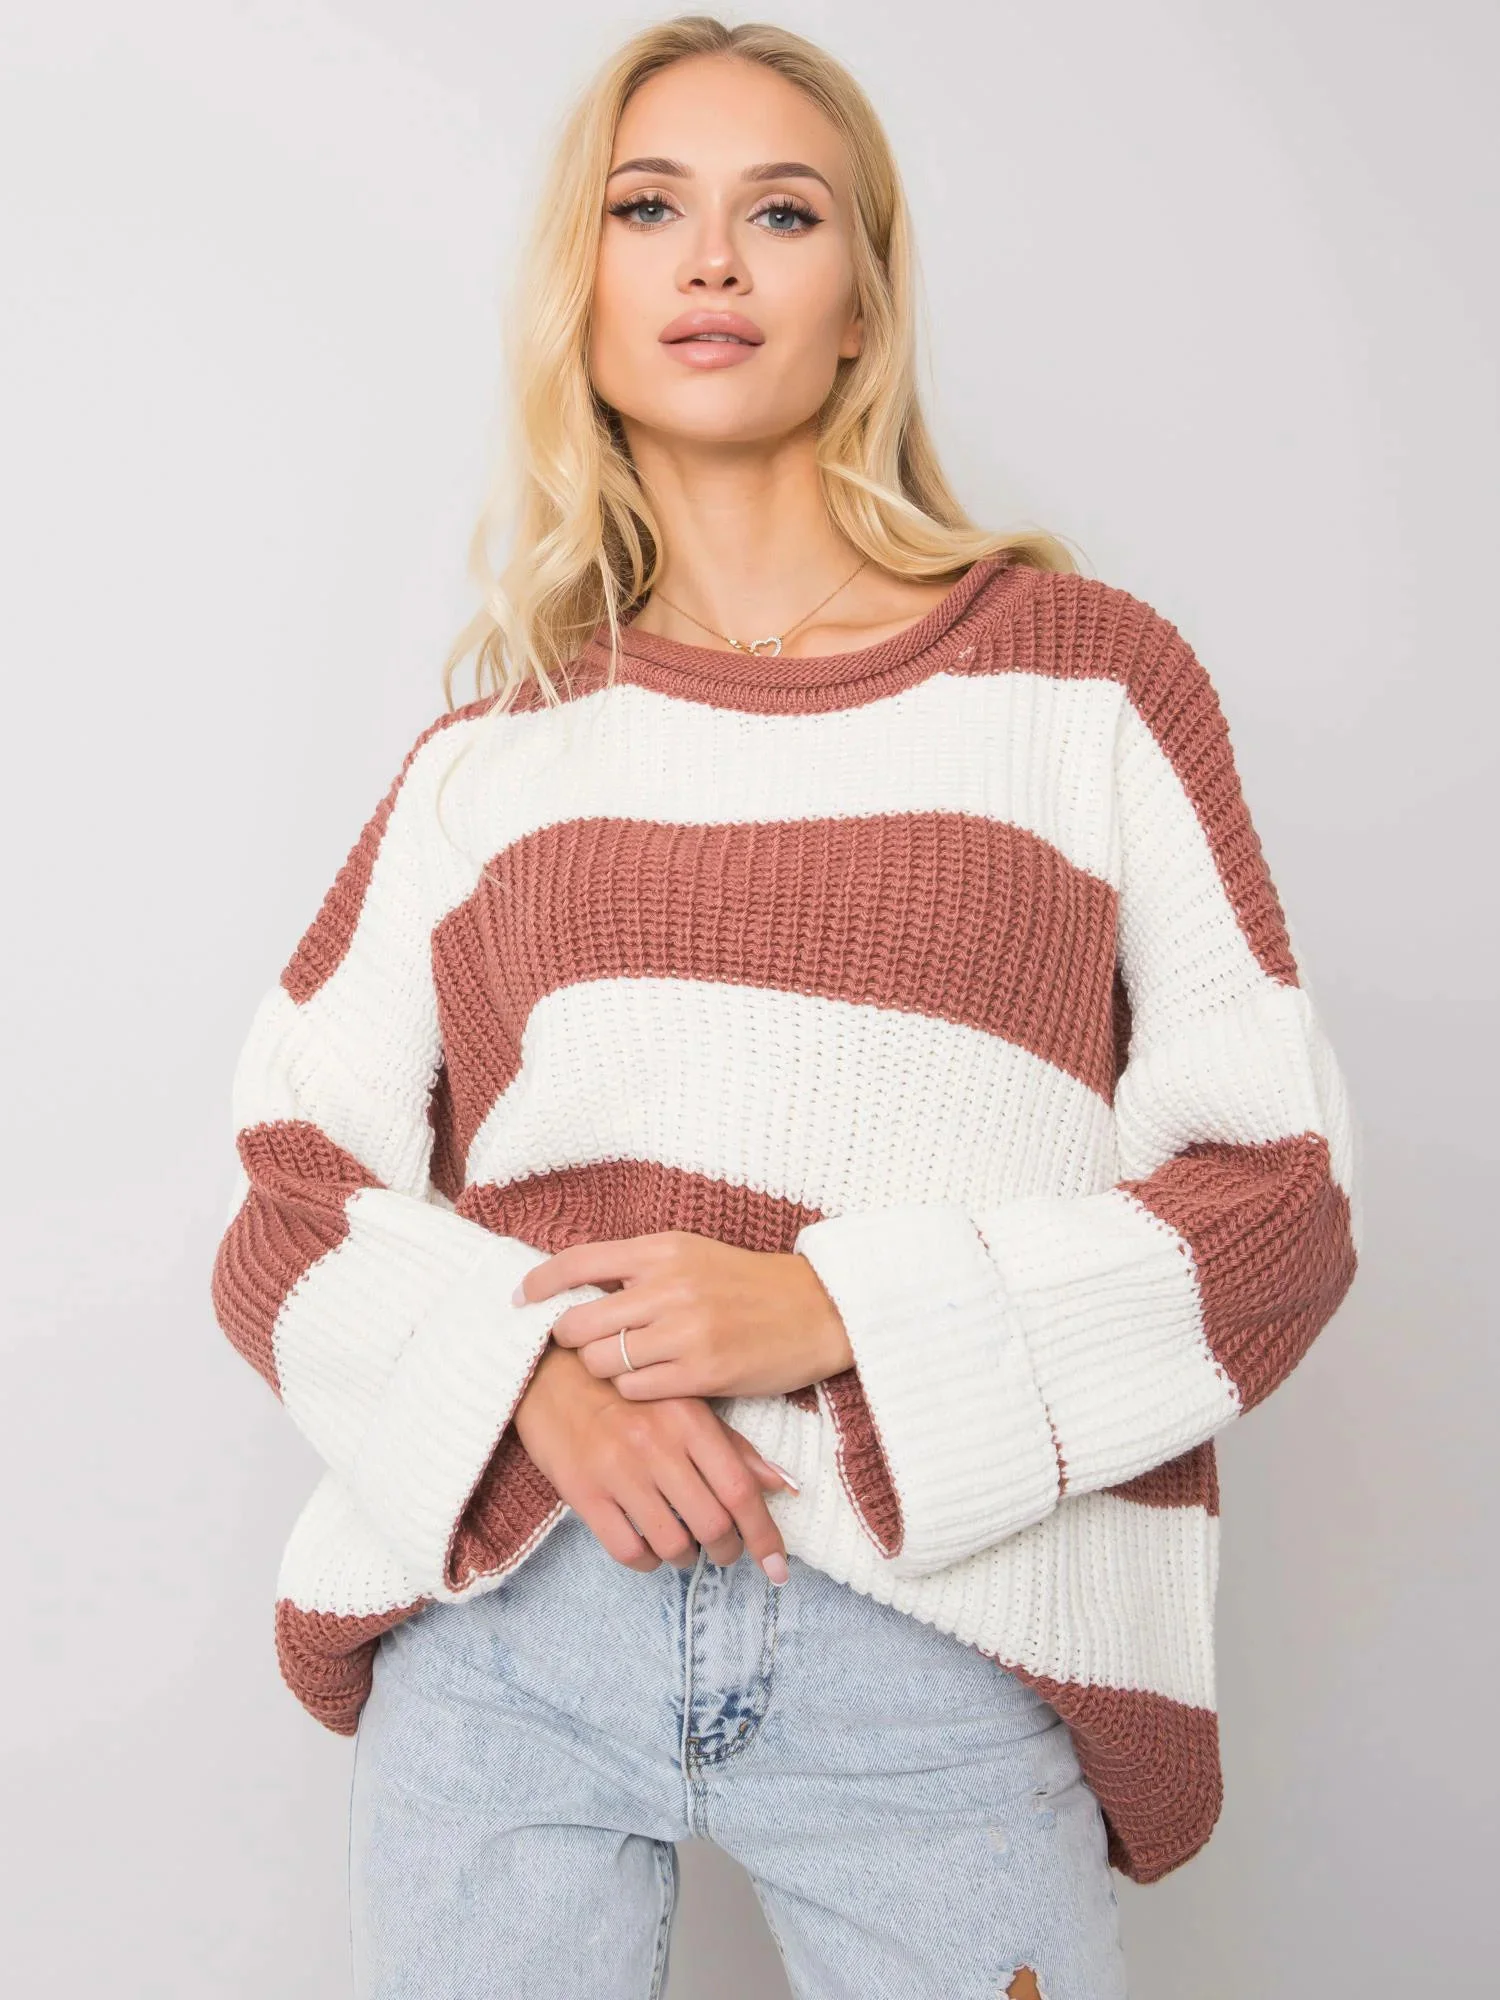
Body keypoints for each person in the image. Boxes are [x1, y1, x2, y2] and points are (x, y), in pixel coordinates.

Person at [208, 15, 1360, 1998]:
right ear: (584, 296)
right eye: (649, 208)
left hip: (942, 1637)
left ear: (864, 307)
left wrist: (837, 1310)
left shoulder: (1086, 686)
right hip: (516, 1634)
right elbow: (290, 1198)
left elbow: (1279, 1209)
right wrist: (528, 1390)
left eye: (785, 213)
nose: (714, 261)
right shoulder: (490, 762)